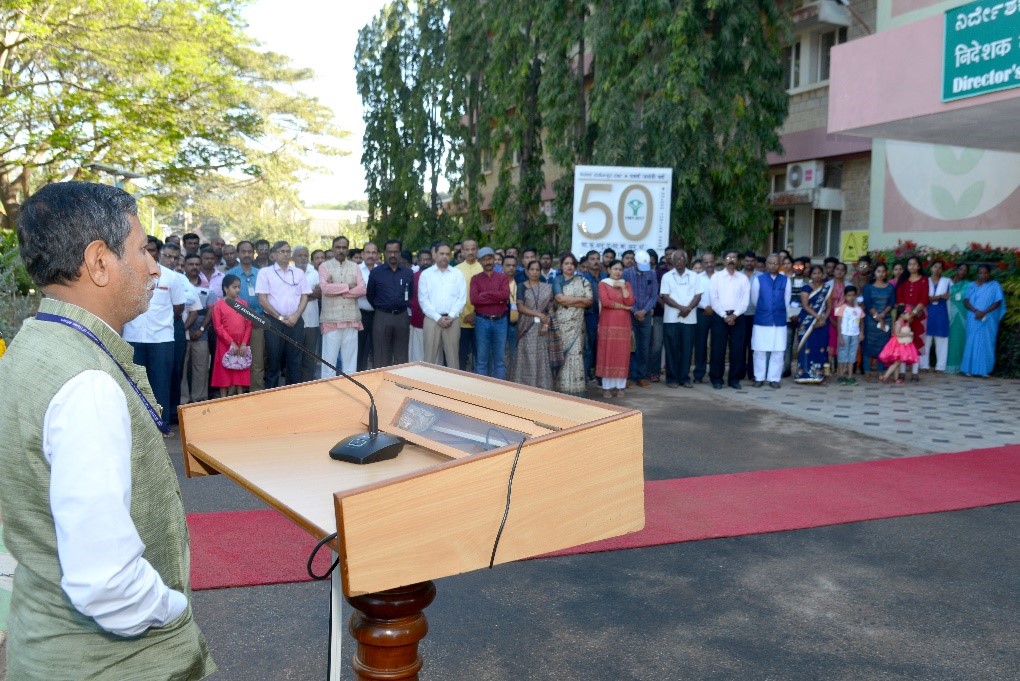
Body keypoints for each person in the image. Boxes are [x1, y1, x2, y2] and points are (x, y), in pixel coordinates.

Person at [0, 181, 215, 679]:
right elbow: (107, 584)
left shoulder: (32, 345)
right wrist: (171, 609)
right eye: (142, 250)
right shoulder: (88, 383)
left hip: (42, 646)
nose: (154, 267)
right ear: (99, 262)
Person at [255, 240, 310, 386]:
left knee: (295, 361)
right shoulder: (265, 273)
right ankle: (272, 393)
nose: (286, 254)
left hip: (295, 321)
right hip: (274, 322)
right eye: (282, 251)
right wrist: (279, 317)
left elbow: (305, 297)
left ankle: (294, 393)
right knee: (274, 360)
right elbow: (262, 299)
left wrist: (296, 316)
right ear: (273, 255)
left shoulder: (298, 272)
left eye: (288, 251)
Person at [319, 235, 366, 377]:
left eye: (344, 247)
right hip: (331, 320)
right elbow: (325, 289)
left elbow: (362, 290)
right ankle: (327, 389)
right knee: (328, 363)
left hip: (351, 319)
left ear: (348, 250)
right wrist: (348, 286)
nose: (341, 250)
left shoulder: (355, 267)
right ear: (333, 249)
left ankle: (349, 388)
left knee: (350, 363)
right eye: (338, 247)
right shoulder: (324, 267)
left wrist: (337, 290)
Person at [659, 249, 704, 388]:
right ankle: (672, 379)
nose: (679, 261)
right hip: (671, 318)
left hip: (689, 319)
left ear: (686, 260)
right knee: (671, 349)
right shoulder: (667, 276)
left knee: (687, 349)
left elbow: (698, 296)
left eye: (682, 258)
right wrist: (681, 308)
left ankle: (684, 378)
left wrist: (688, 309)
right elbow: (665, 296)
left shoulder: (694, 276)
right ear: (672, 261)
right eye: (676, 259)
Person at [366, 239, 414, 368]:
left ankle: (399, 380)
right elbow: (370, 294)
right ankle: (381, 380)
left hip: (402, 316)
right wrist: (382, 307)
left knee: (401, 355)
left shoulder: (408, 272)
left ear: (400, 253)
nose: (392, 255)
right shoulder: (376, 272)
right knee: (381, 355)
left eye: (395, 252)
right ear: (384, 253)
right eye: (389, 252)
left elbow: (410, 293)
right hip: (382, 316)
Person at [419, 242, 466, 368]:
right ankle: (426, 381)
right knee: (429, 359)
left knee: (453, 359)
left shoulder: (457, 274)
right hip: (432, 319)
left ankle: (453, 381)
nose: (444, 256)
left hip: (452, 320)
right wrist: (438, 318)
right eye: (441, 253)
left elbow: (461, 299)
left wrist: (451, 316)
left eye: (447, 254)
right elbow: (423, 300)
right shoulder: (426, 275)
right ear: (435, 255)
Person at [226, 240, 266, 390]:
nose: (247, 254)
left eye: (249, 251)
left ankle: (256, 391)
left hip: (256, 322)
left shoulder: (260, 274)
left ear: (253, 253)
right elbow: (227, 300)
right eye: (243, 251)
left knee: (257, 360)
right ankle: (234, 394)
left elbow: (265, 297)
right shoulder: (231, 274)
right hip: (236, 323)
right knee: (235, 358)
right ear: (238, 253)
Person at [552, 253, 593, 396]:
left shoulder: (582, 280)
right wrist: (580, 300)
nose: (569, 266)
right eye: (566, 263)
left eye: (572, 264)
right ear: (561, 266)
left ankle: (577, 389)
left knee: (576, 354)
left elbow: (589, 301)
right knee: (563, 356)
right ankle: (562, 389)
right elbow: (559, 299)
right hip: (562, 324)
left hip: (577, 325)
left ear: (575, 266)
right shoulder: (557, 280)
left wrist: (569, 301)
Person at [709, 250, 750, 390]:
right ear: (723, 260)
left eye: (734, 257)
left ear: (738, 261)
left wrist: (735, 315)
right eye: (728, 257)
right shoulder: (716, 277)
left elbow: (745, 300)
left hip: (738, 317)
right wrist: (724, 316)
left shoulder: (743, 278)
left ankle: (734, 379)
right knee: (718, 349)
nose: (731, 260)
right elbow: (714, 299)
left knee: (737, 349)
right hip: (720, 316)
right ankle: (716, 379)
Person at [512, 260, 555, 390]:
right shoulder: (522, 286)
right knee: (527, 356)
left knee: (541, 357)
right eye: (532, 269)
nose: (535, 272)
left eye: (537, 270)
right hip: (526, 327)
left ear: (540, 272)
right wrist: (538, 314)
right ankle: (524, 386)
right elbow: (520, 307)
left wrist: (546, 325)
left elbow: (550, 309)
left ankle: (542, 386)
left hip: (542, 328)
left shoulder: (547, 287)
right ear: (527, 271)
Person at [750, 254, 791, 388]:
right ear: (766, 264)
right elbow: (755, 300)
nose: (773, 266)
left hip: (779, 320)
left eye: (776, 263)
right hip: (762, 320)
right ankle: (759, 377)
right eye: (770, 263)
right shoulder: (758, 280)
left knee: (778, 351)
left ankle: (774, 378)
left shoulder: (786, 280)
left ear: (780, 265)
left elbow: (786, 300)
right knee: (759, 350)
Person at [470, 246, 512, 378]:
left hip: (501, 321)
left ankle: (499, 388)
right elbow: (474, 299)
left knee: (499, 360)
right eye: (484, 259)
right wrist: (496, 297)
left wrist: (485, 294)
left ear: (494, 260)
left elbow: (505, 295)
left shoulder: (502, 277)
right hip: (482, 321)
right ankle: (481, 388)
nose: (487, 262)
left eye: (490, 259)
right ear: (479, 262)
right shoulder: (475, 279)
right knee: (482, 359)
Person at [210, 275, 252, 397]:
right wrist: (230, 342)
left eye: (239, 287)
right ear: (226, 289)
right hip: (225, 344)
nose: (237, 290)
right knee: (224, 372)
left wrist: (244, 343)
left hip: (241, 343)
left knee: (240, 370)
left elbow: (248, 325)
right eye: (234, 287)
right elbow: (218, 327)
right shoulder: (218, 305)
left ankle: (240, 398)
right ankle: (224, 399)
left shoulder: (243, 304)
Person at [961, 263, 1006, 377]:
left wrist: (984, 312)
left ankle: (984, 370)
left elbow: (998, 302)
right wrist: (976, 311)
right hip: (973, 317)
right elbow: (966, 301)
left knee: (986, 343)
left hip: (988, 319)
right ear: (977, 274)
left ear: (989, 274)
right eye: (981, 273)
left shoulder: (994, 286)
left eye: (986, 273)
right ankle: (968, 369)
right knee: (971, 342)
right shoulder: (971, 285)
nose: (983, 275)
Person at [596, 260, 633, 398]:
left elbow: (630, 301)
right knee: (608, 352)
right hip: (608, 323)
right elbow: (606, 302)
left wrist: (623, 288)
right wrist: (623, 307)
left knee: (622, 353)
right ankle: (606, 388)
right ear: (609, 270)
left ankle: (620, 387)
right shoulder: (603, 284)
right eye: (615, 269)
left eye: (620, 269)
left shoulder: (626, 284)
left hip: (623, 324)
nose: (618, 272)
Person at [624, 250, 658, 387]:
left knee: (644, 346)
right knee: (629, 346)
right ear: (634, 262)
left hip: (646, 314)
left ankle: (641, 376)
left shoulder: (651, 273)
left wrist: (644, 311)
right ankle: (628, 376)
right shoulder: (626, 273)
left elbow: (654, 295)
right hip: (630, 314)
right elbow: (624, 294)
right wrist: (635, 311)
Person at [795, 264, 832, 383]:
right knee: (807, 346)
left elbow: (829, 306)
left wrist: (824, 319)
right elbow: (805, 306)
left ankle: (820, 374)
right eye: (814, 273)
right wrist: (817, 317)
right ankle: (804, 373)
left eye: (819, 273)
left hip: (822, 322)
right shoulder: (806, 288)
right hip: (807, 321)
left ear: (823, 274)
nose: (817, 275)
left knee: (821, 346)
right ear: (810, 275)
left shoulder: (826, 288)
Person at [895, 256, 929, 382]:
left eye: (915, 264)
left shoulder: (924, 280)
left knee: (916, 343)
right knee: (903, 342)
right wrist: (905, 315)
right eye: (910, 264)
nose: (912, 266)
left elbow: (924, 299)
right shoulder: (903, 280)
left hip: (918, 316)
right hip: (903, 316)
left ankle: (915, 372)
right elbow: (899, 298)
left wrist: (913, 313)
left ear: (919, 266)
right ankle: (902, 372)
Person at [862, 262, 895, 380]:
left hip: (885, 320)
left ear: (886, 273)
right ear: (874, 273)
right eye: (878, 271)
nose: (881, 274)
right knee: (868, 345)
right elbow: (868, 303)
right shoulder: (868, 287)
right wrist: (876, 315)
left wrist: (883, 315)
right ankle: (867, 371)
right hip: (870, 320)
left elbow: (891, 303)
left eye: (883, 271)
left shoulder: (890, 287)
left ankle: (881, 371)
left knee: (883, 345)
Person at [293, 245, 321, 382]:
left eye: (305, 255)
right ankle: (295, 383)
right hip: (294, 319)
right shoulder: (289, 272)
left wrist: (302, 294)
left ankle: (308, 382)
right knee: (294, 354)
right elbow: (290, 295)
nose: (303, 258)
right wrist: (309, 293)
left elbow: (319, 294)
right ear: (293, 257)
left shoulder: (314, 273)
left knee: (310, 355)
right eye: (299, 255)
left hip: (312, 320)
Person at [457, 239, 482, 370]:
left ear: (477, 250)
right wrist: (463, 314)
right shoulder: (456, 270)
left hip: (480, 319)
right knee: (461, 356)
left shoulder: (483, 268)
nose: (470, 252)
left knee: (480, 356)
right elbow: (453, 296)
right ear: (462, 251)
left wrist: (475, 314)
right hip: (460, 320)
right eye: (467, 249)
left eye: (473, 249)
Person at [921, 260, 950, 372]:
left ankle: (940, 366)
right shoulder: (925, 281)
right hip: (927, 313)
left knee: (941, 340)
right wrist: (938, 297)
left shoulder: (947, 282)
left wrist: (937, 298)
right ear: (931, 268)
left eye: (939, 267)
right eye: (935, 267)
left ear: (942, 270)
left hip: (941, 314)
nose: (937, 269)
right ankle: (924, 365)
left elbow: (949, 297)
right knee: (925, 340)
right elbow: (923, 298)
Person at [879, 306, 921, 384]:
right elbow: (897, 334)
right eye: (908, 314)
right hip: (897, 344)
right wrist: (908, 334)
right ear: (902, 314)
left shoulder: (904, 323)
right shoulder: (898, 323)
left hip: (901, 344)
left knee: (897, 362)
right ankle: (885, 376)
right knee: (897, 362)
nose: (909, 316)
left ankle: (896, 378)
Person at [693, 252, 716, 383]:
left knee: (716, 345)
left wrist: (713, 307)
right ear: (702, 264)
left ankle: (714, 374)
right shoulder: (697, 278)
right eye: (706, 262)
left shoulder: (720, 277)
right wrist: (705, 306)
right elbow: (694, 295)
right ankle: (699, 374)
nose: (709, 264)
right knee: (700, 344)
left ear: (715, 262)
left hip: (718, 313)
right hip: (701, 313)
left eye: (711, 261)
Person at [356, 241, 379, 370]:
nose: (371, 255)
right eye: (368, 252)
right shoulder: (355, 270)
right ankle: (359, 375)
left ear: (377, 255)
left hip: (378, 314)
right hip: (360, 314)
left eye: (373, 252)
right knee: (360, 349)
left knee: (377, 348)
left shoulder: (382, 270)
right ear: (362, 254)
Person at [835, 285, 864, 385]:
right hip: (844, 334)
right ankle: (841, 375)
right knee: (842, 354)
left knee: (852, 355)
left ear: (856, 296)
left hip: (855, 335)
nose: (851, 297)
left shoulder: (859, 309)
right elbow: (839, 323)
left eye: (853, 295)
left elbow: (861, 322)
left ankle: (850, 376)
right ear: (845, 296)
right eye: (848, 295)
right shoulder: (842, 308)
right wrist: (840, 336)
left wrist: (861, 333)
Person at [946, 263, 971, 374]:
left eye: (965, 270)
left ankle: (961, 367)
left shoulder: (969, 284)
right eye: (961, 269)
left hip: (962, 315)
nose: (962, 272)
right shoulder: (948, 283)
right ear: (956, 270)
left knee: (961, 340)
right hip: (949, 314)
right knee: (950, 341)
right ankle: (948, 366)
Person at [408, 249, 432, 362]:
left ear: (432, 260)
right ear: (418, 261)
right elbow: (409, 296)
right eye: (422, 260)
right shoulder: (413, 277)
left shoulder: (436, 276)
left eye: (427, 259)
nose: (425, 262)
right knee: (417, 351)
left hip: (435, 320)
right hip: (417, 317)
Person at [826, 262, 848, 372]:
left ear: (845, 272)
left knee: (842, 340)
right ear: (834, 271)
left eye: (842, 270)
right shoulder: (827, 285)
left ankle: (841, 368)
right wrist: (829, 317)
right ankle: (830, 367)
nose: (839, 272)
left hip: (845, 316)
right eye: (837, 269)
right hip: (830, 314)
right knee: (831, 340)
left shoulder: (849, 285)